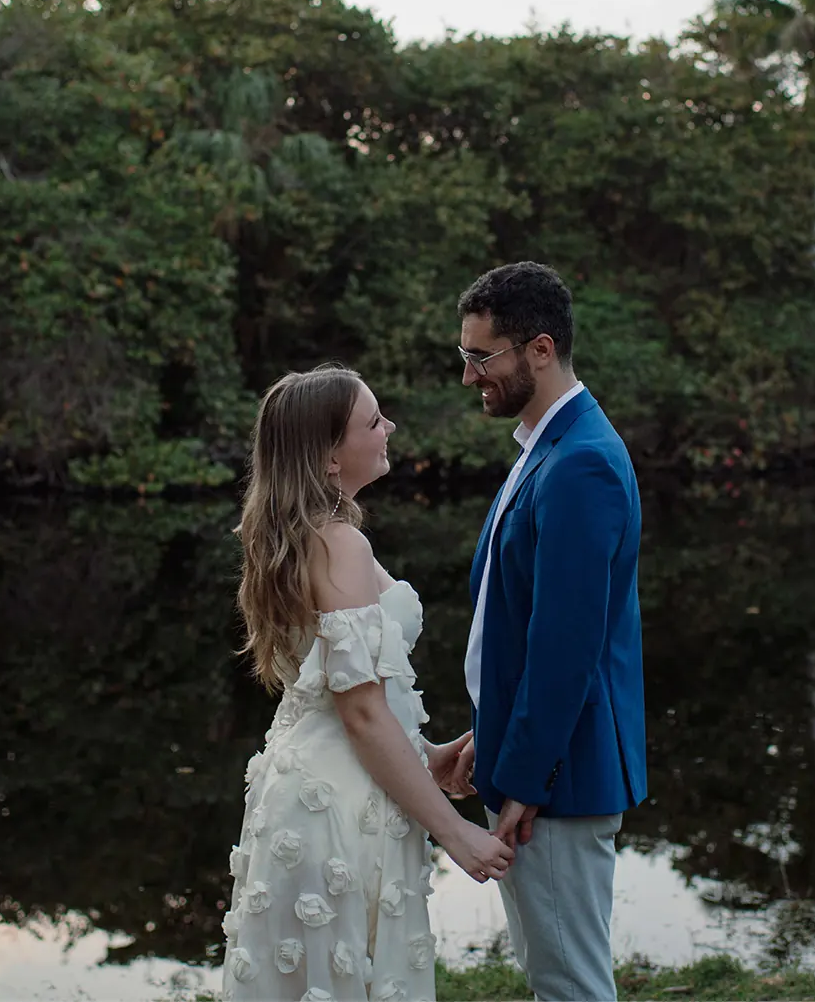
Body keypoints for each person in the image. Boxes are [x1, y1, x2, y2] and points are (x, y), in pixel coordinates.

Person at [222, 364, 514, 1001]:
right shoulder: (339, 545)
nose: (389, 428)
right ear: (330, 455)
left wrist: (429, 757)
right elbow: (360, 713)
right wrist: (454, 831)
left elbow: (340, 696)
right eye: (372, 420)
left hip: (307, 785)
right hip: (339, 805)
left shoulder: (299, 536)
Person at [448, 262, 648, 1002]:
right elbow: (523, 622)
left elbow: (567, 650)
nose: (469, 375)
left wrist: (526, 775)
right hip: (531, 762)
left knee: (570, 985)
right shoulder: (545, 446)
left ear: (538, 348)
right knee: (551, 976)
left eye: (480, 356)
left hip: (558, 781)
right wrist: (488, 734)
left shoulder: (582, 462)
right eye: (465, 355)